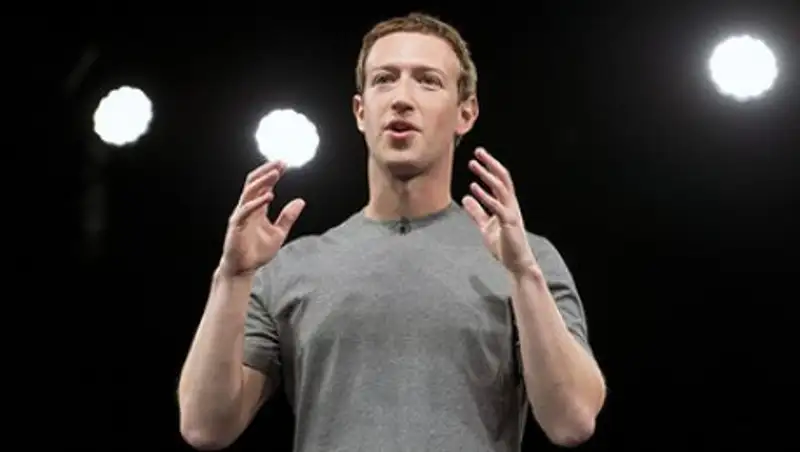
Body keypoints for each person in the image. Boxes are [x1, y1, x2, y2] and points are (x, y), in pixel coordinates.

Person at [178, 12, 606, 452]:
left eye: (428, 81)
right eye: (384, 79)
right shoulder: (290, 267)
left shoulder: (526, 259)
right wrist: (232, 277)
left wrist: (524, 276)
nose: (402, 98)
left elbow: (572, 421)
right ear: (361, 111)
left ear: (466, 113)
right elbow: (205, 427)